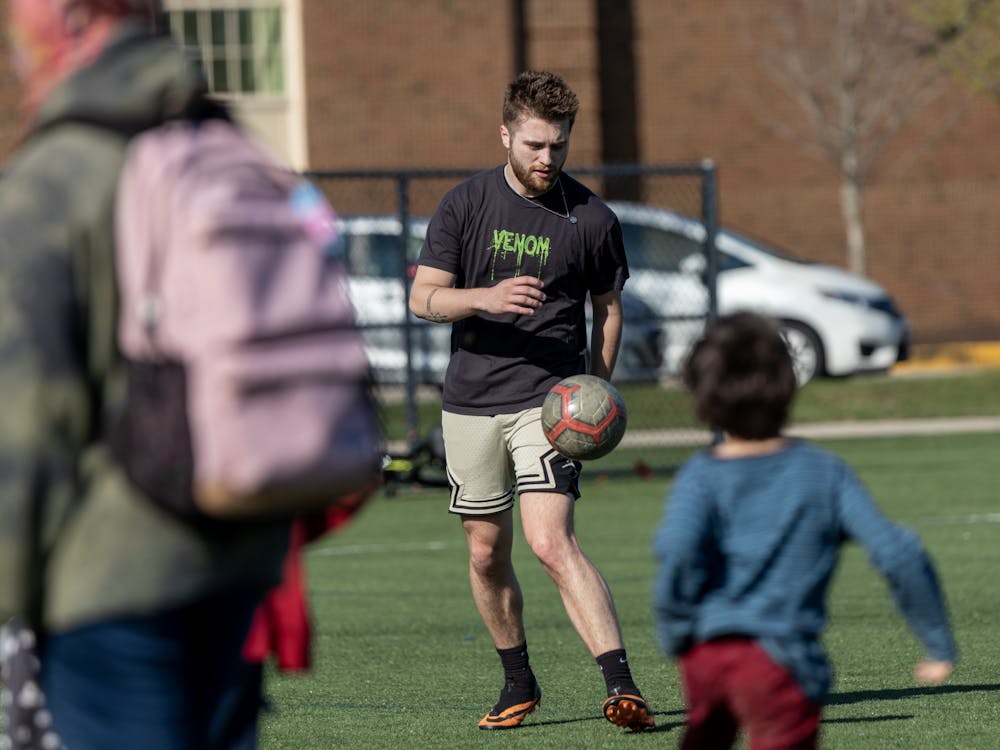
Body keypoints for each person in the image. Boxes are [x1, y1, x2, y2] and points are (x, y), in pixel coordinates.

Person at [0, 2, 291, 747]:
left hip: (110, 578)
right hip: (239, 558)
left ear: (69, 21)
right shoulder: (230, 149)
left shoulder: (53, 179)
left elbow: (29, 417)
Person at [408, 69, 654, 732]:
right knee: (486, 550)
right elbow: (422, 297)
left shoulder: (592, 218)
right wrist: (481, 299)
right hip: (469, 401)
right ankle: (518, 682)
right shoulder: (464, 206)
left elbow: (608, 309)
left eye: (559, 145)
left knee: (550, 542)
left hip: (548, 404)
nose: (548, 159)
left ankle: (622, 687)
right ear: (506, 135)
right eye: (535, 145)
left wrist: (594, 387)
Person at [652, 312, 958, 750]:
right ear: (789, 387)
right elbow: (896, 552)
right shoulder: (823, 473)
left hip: (706, 654)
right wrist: (937, 642)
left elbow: (677, 549)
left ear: (700, 396)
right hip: (781, 660)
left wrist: (677, 629)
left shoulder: (700, 475)